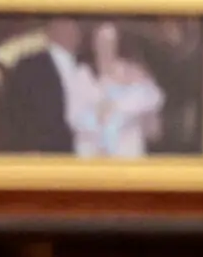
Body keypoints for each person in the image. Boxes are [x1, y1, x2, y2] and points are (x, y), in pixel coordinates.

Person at [0, 18, 91, 154]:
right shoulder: (30, 65)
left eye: (75, 26)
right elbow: (16, 110)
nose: (73, 31)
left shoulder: (87, 66)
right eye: (65, 25)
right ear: (50, 29)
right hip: (43, 152)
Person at [70, 22, 166, 158]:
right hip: (91, 154)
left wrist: (118, 107)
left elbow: (154, 98)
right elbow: (73, 117)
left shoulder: (132, 72)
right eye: (101, 40)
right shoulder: (82, 74)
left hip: (127, 153)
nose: (106, 46)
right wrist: (97, 117)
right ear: (92, 43)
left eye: (111, 41)